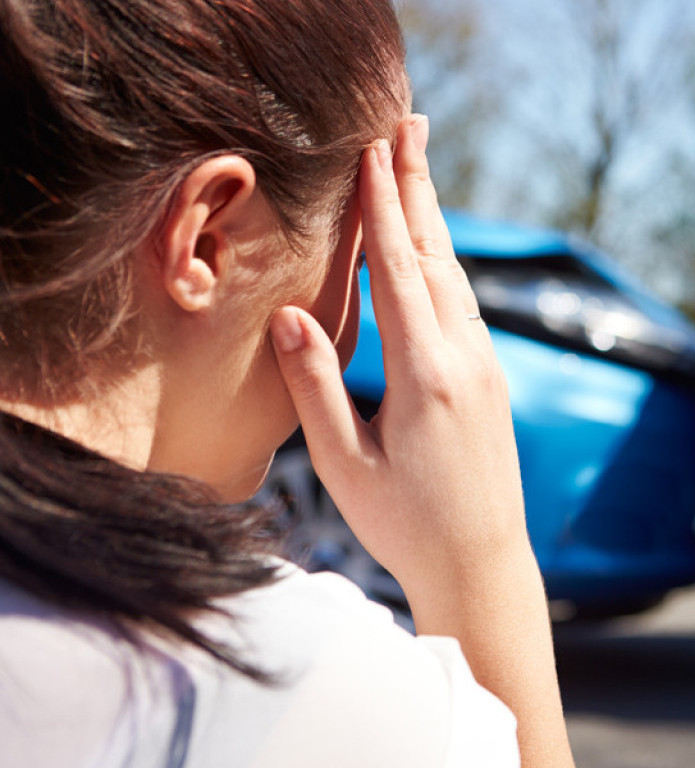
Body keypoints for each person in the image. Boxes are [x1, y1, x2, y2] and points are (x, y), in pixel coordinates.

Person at [0, 1, 575, 766]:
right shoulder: (286, 680)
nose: (355, 329)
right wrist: (484, 563)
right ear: (208, 239)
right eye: (364, 253)